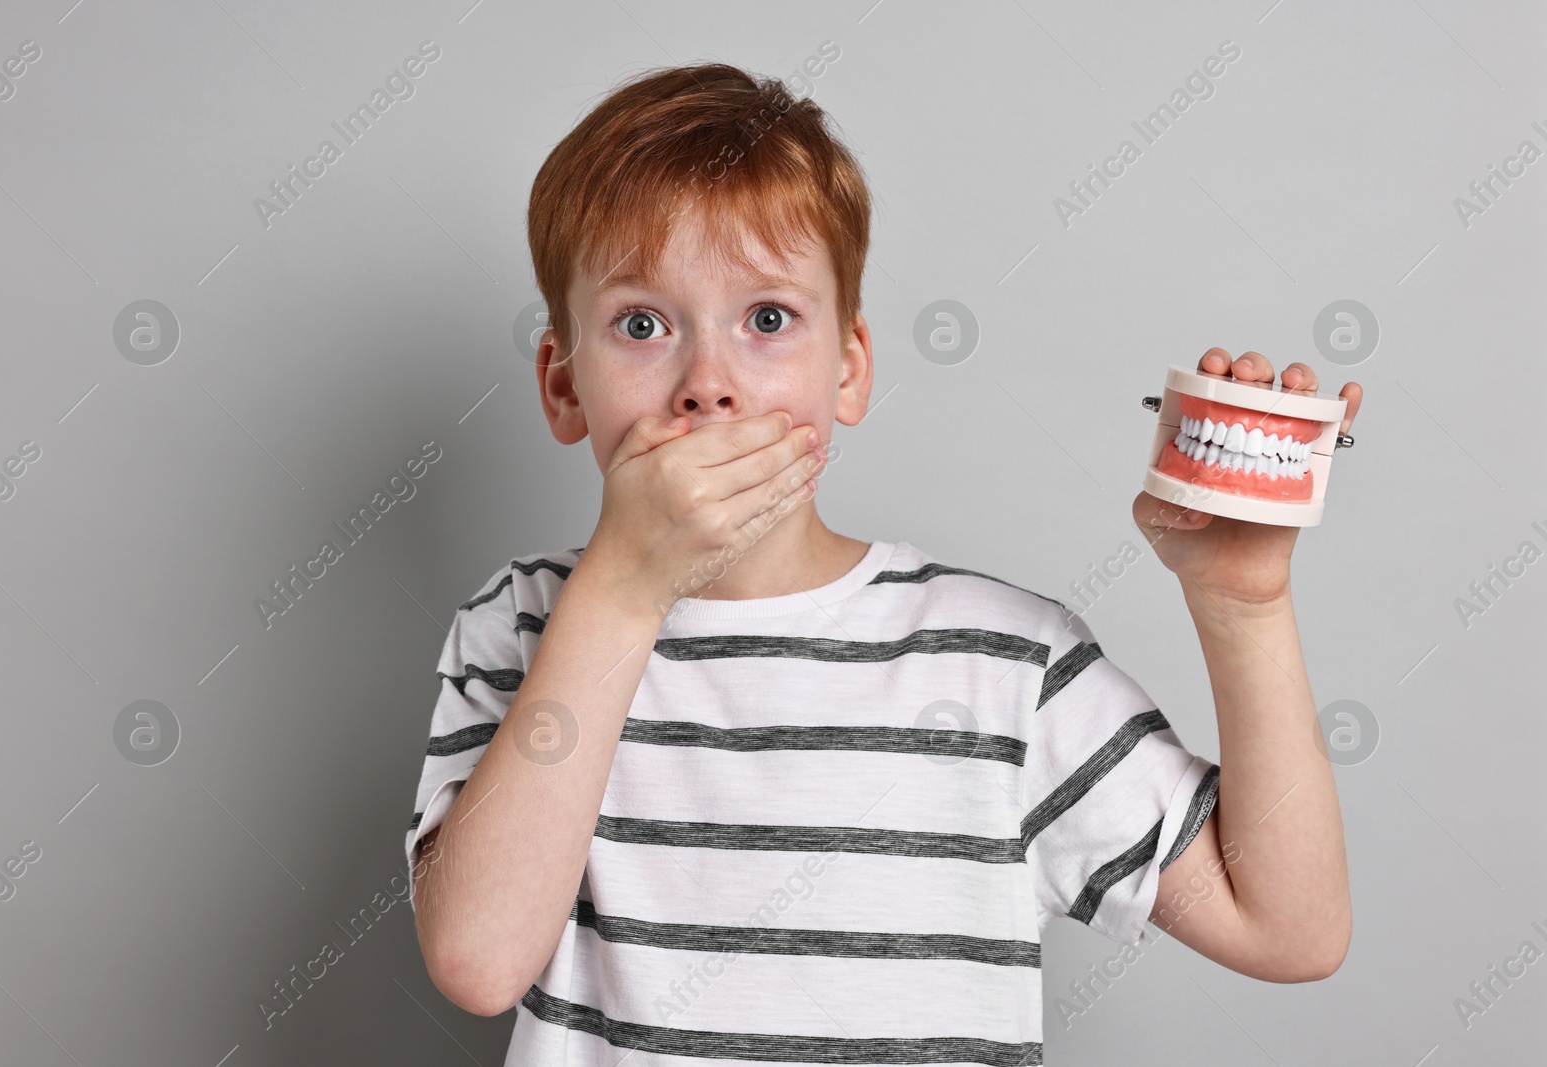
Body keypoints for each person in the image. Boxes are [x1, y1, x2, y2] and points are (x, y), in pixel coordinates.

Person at [404, 61, 1362, 1065]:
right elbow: (478, 957)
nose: (708, 383)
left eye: (767, 319)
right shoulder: (522, 623)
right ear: (562, 385)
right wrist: (620, 592)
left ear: (848, 368)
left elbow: (1288, 927)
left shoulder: (1003, 667)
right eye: (641, 324)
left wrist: (1240, 605)